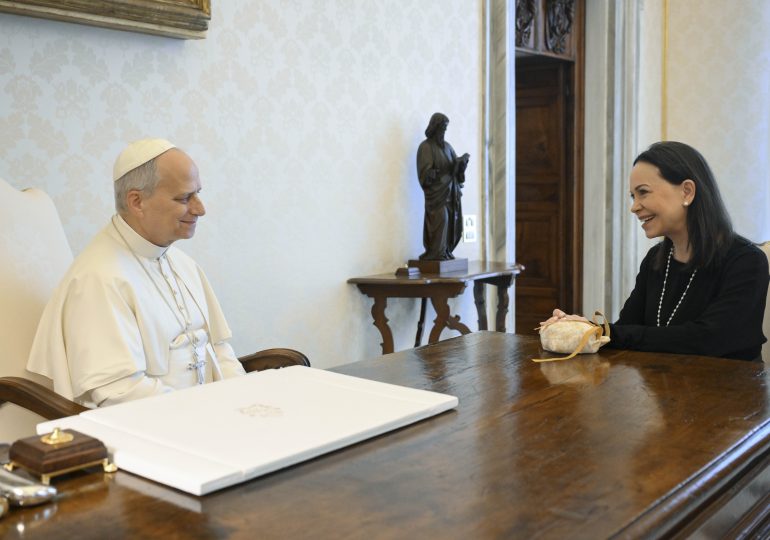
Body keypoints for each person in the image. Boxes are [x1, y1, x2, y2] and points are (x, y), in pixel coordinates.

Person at [27, 139, 246, 406]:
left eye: (198, 193)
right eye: (185, 198)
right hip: (149, 429)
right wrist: (201, 413)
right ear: (137, 201)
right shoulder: (99, 278)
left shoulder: (183, 264)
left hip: (204, 417)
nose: (200, 209)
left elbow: (219, 350)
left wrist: (243, 402)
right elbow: (119, 392)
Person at [543, 141, 768, 361]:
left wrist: (602, 332)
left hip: (729, 393)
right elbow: (627, 329)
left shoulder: (746, 261)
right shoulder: (656, 259)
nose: (634, 207)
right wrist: (580, 331)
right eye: (633, 196)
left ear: (687, 192)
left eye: (643, 192)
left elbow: (708, 339)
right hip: (662, 392)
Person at [416, 112, 470, 260]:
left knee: (454, 224)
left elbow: (456, 171)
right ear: (435, 127)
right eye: (442, 128)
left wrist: (461, 165)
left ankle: (445, 252)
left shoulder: (448, 147)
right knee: (442, 220)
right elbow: (424, 174)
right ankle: (435, 253)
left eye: (446, 129)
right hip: (437, 196)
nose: (444, 132)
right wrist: (431, 174)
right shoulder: (426, 147)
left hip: (451, 193)